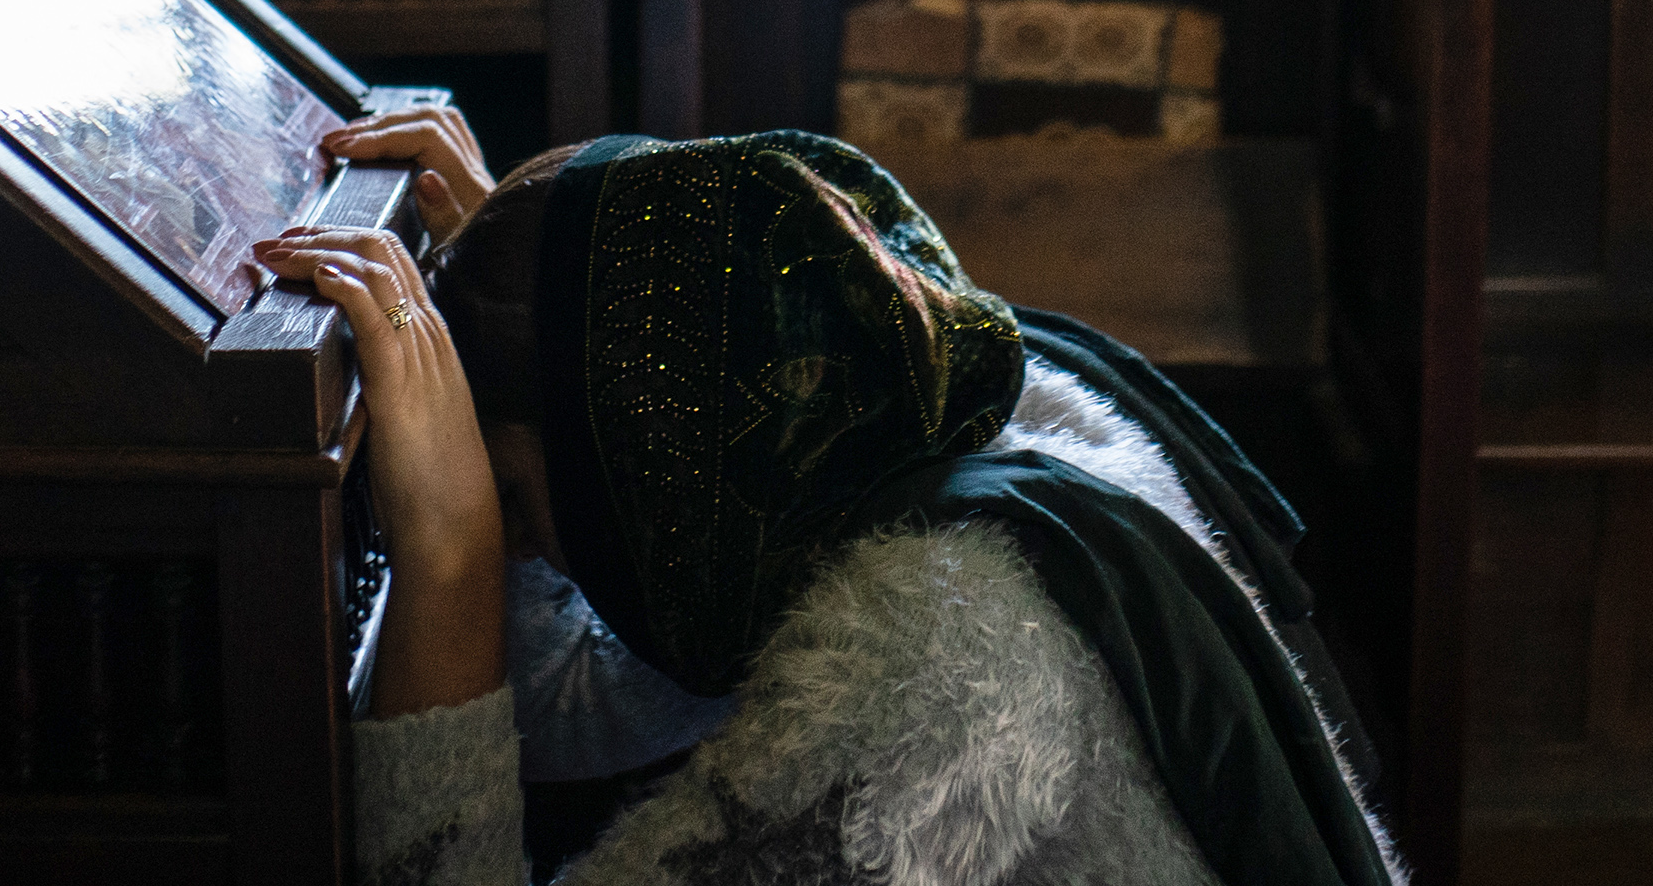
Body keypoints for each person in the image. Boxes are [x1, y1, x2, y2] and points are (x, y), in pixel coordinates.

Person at [280, 113, 1406, 885]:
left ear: (626, 466)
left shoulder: (928, 668)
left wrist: (452, 556)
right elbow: (599, 700)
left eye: (530, 510)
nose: (536, 558)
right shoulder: (924, 407)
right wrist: (534, 284)